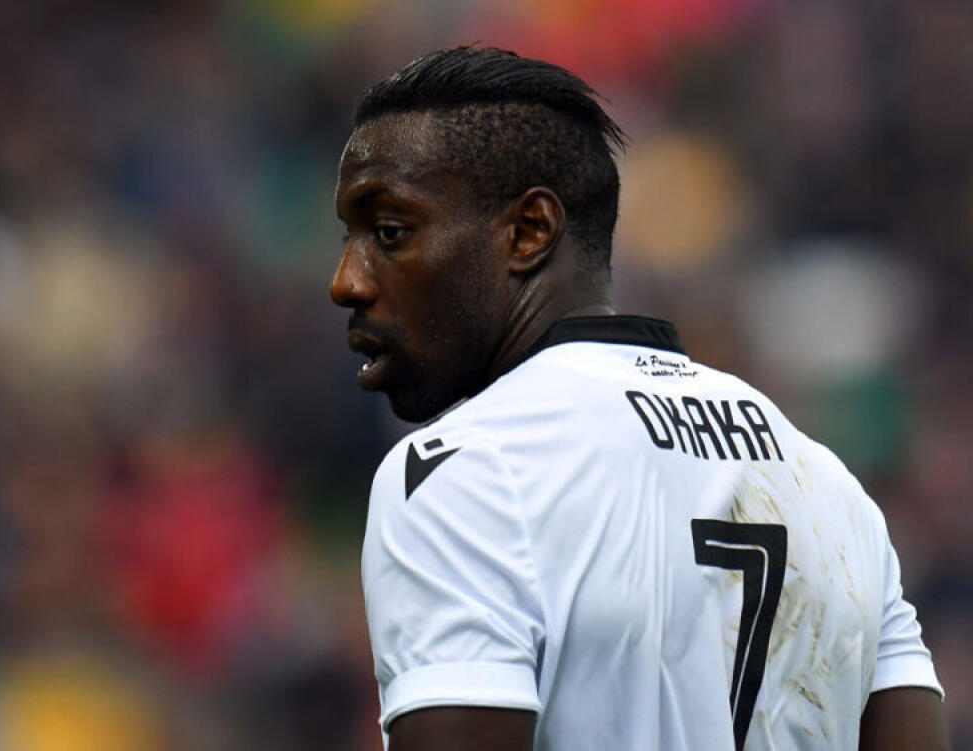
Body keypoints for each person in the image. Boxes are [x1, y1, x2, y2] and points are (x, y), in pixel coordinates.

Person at [328, 47, 949, 751]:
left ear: (530, 231)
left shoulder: (465, 476)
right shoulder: (828, 485)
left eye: (389, 233)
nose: (346, 280)